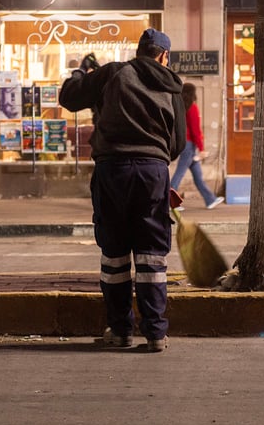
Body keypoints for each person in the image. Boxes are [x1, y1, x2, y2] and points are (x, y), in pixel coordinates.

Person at [58, 28, 185, 353]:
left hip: (111, 170)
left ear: (140, 51)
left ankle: (120, 329)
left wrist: (80, 72)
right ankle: (155, 333)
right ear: (164, 56)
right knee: (151, 255)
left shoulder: (114, 72)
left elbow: (69, 97)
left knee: (114, 254)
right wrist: (154, 161)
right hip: (152, 172)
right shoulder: (172, 86)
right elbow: (178, 143)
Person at [171, 83, 225, 210]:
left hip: (183, 143)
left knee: (197, 176)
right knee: (179, 174)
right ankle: (169, 201)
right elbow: (196, 131)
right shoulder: (192, 108)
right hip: (190, 145)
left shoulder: (180, 108)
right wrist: (202, 148)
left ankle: (210, 200)